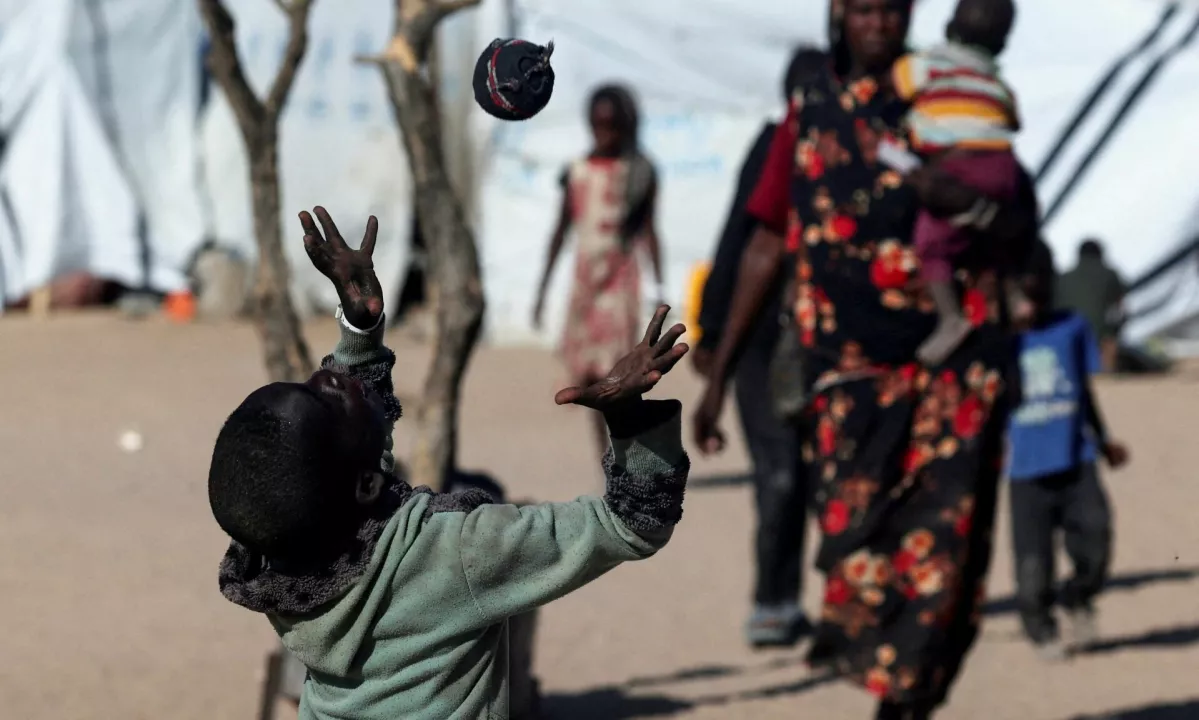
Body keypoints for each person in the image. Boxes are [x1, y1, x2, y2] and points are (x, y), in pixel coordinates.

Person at [692, 0, 1039, 717]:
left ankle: (903, 705)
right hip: (847, 370)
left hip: (955, 365)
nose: (877, 25)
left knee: (941, 553)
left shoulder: (942, 94)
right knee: (856, 550)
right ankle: (891, 683)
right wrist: (718, 376)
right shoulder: (811, 111)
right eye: (862, 11)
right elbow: (764, 243)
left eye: (890, 11)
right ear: (839, 17)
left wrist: (968, 207)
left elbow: (1016, 216)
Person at [210, 207, 691, 720]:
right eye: (326, 401)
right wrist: (629, 421)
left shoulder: (278, 562)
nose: (325, 378)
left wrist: (360, 326)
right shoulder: (455, 553)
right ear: (369, 485)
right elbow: (630, 524)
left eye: (310, 385)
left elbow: (354, 472)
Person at [693, 45, 828, 648]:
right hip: (759, 342)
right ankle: (772, 605)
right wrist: (714, 335)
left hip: (823, 344)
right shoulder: (777, 146)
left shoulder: (849, 150)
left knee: (813, 476)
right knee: (780, 475)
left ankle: (813, 601)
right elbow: (742, 243)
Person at [1006, 239, 1129, 660]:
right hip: (1026, 471)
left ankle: (1078, 596)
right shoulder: (999, 342)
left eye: (1036, 288)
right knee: (1032, 567)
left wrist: (1104, 437)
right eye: (1020, 291)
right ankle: (1042, 629)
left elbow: (1083, 391)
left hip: (1077, 459)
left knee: (1097, 540)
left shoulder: (1071, 328)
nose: (1029, 301)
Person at [533, 84, 665, 459]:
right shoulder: (576, 171)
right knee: (590, 380)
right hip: (586, 285)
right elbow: (561, 231)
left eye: (612, 126)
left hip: (619, 282)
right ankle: (606, 459)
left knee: (617, 376)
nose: (604, 134)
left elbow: (650, 231)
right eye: (597, 126)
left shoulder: (638, 173)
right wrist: (542, 290)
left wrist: (660, 285)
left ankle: (623, 453)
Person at [890, 0, 1023, 365]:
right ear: (1001, 44)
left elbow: (897, 82)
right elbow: (1014, 119)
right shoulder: (994, 79)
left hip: (956, 165)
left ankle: (950, 318)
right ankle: (1015, 293)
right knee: (995, 235)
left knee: (932, 242)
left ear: (949, 26)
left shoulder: (928, 65)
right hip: (1001, 164)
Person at [1056, 238, 1126, 373]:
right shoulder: (1109, 274)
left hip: (1065, 330)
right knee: (1109, 337)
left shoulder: (1064, 277)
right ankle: (1106, 371)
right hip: (1098, 330)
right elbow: (1120, 306)